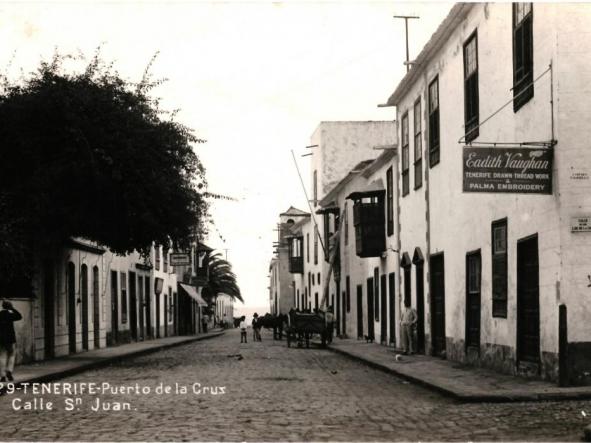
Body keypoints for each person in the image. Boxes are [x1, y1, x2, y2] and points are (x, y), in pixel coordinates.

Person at [0, 300, 22, 382]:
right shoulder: (11, 314)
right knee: (12, 354)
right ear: (9, 306)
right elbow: (19, 316)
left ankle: (2, 376)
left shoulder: (0, 314)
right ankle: (9, 371)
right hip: (10, 338)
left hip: (1, 338)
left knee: (2, 356)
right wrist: (12, 308)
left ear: (2, 306)